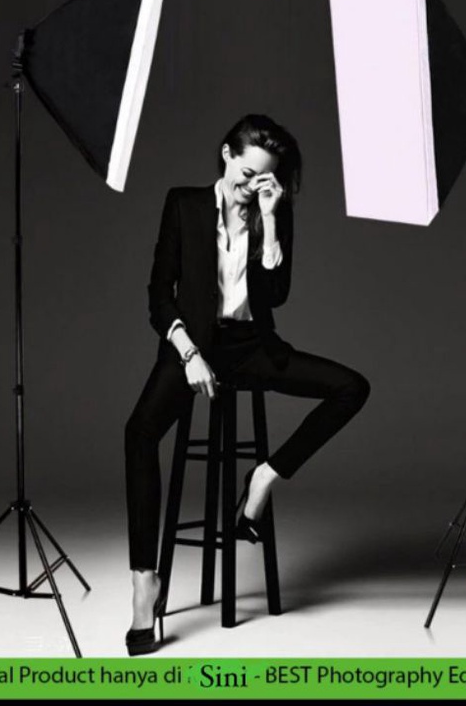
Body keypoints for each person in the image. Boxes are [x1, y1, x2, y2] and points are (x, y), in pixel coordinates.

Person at [124, 114, 370, 655]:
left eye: (265, 178)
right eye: (247, 173)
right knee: (138, 433)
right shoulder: (184, 204)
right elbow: (158, 296)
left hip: (252, 348)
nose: (252, 185)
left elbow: (276, 295)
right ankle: (145, 581)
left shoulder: (271, 211)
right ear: (226, 155)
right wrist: (188, 353)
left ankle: (262, 478)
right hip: (192, 347)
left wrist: (272, 220)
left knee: (351, 387)